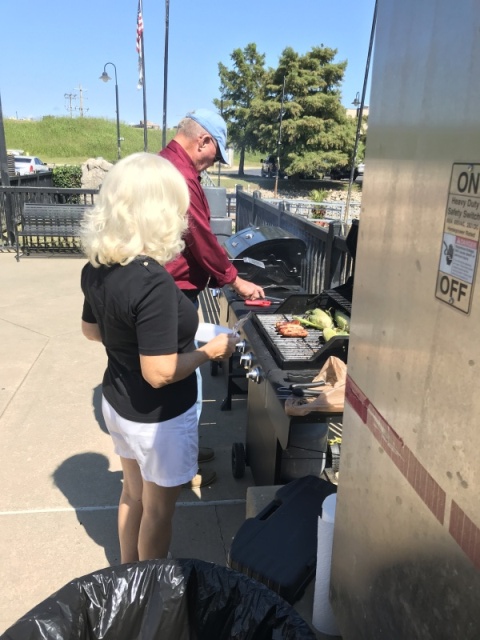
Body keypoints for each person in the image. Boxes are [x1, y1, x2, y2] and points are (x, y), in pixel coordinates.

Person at [80, 152, 238, 563]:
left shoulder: (97, 267)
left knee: (131, 493)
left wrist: (133, 345)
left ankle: (128, 575)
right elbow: (159, 371)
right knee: (159, 509)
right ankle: (150, 593)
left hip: (118, 402)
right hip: (159, 420)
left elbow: (93, 330)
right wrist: (209, 351)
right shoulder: (153, 280)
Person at [160, 109, 265, 483]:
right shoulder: (180, 175)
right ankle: (180, 468)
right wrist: (234, 280)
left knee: (182, 375)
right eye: (214, 155)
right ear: (203, 140)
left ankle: (184, 451)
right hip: (172, 288)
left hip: (173, 287)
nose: (212, 164)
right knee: (178, 376)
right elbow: (200, 237)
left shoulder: (170, 166)